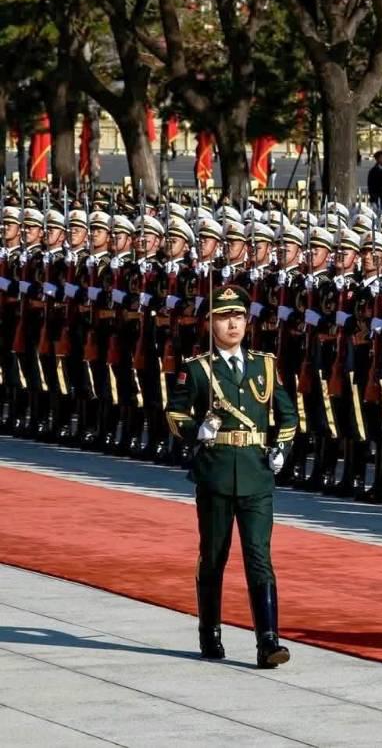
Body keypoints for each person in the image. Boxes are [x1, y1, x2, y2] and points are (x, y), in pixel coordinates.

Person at [166, 283, 297, 668]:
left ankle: (268, 641)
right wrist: (197, 431)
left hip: (256, 472)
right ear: (210, 324)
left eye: (238, 316)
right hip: (217, 472)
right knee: (214, 555)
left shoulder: (264, 365)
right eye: (224, 317)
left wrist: (281, 449)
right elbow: (174, 414)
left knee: (259, 556)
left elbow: (288, 415)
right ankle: (210, 632)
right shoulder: (197, 369)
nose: (233, 324)